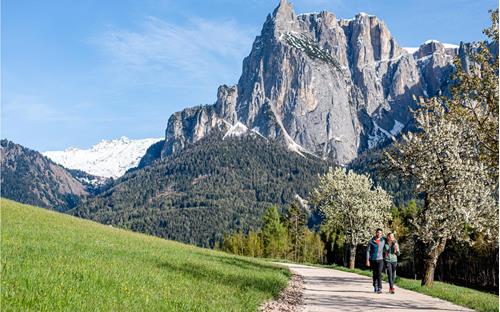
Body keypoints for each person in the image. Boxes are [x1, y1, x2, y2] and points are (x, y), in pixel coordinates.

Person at [366, 228, 386, 294]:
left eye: (380, 233)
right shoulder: (371, 241)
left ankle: (379, 288)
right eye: (378, 233)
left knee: (379, 273)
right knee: (375, 274)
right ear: (376, 233)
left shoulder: (383, 240)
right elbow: (368, 251)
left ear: (381, 234)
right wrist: (367, 260)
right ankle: (375, 286)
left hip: (380, 259)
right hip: (373, 259)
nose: (379, 234)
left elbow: (391, 240)